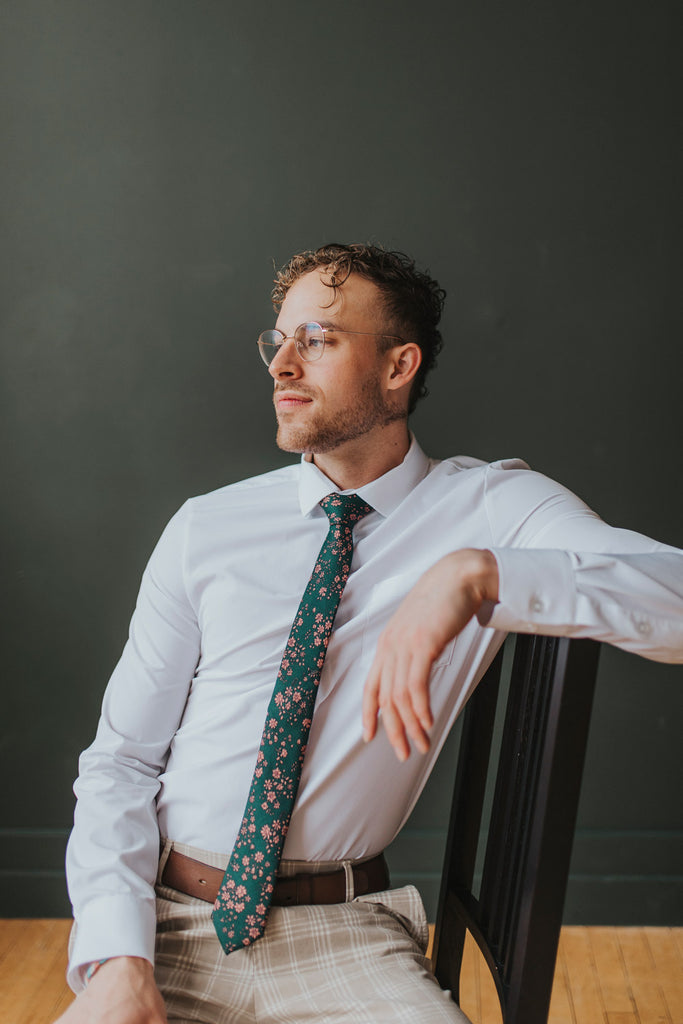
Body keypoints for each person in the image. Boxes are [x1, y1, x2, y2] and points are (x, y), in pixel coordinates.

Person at [59, 243, 683, 1024]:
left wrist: (478, 573)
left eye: (316, 340)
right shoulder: (205, 528)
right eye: (277, 340)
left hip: (346, 938)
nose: (282, 364)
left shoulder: (493, 508)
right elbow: (119, 762)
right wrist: (118, 959)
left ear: (398, 367)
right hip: (166, 924)